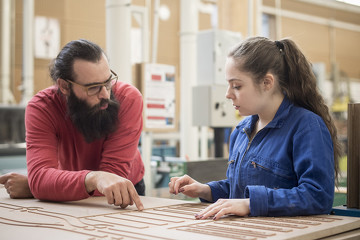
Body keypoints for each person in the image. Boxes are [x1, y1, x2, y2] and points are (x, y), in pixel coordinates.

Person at [169, 36, 341, 219]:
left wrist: (252, 203)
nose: (228, 94)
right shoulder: (241, 131)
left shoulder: (306, 127)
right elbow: (239, 190)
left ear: (267, 82)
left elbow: (317, 196)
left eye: (237, 86)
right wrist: (205, 190)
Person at [0, 39, 145, 210]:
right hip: (75, 190)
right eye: (93, 88)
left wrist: (37, 187)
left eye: (108, 82)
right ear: (64, 86)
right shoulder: (41, 108)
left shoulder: (128, 99)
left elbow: (112, 180)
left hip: (125, 189)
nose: (105, 94)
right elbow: (40, 177)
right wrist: (93, 179)